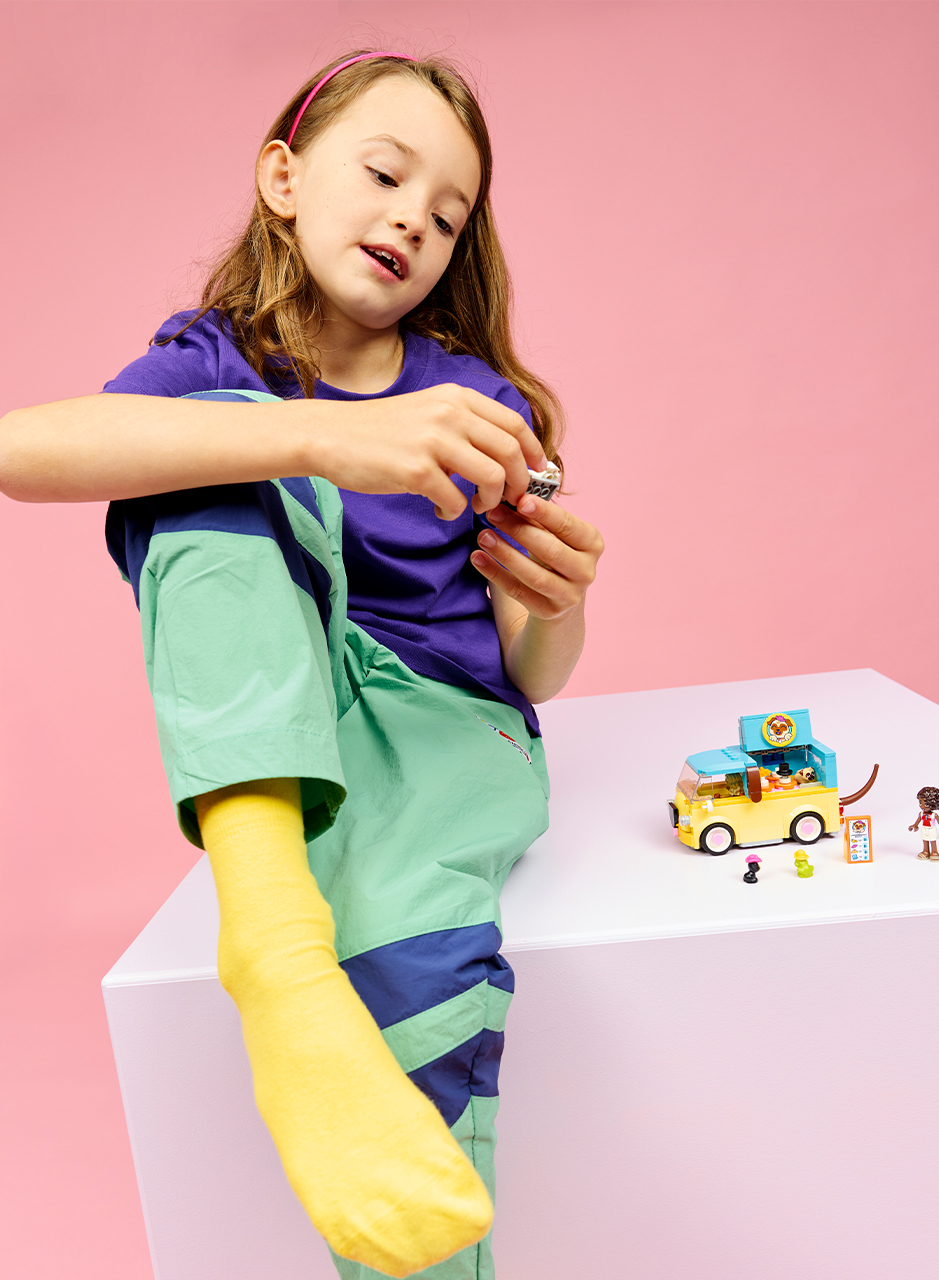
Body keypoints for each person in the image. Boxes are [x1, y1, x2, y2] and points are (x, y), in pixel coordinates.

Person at [0, 50, 603, 1280]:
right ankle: (274, 946)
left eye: (447, 216)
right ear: (283, 178)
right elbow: (21, 450)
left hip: (440, 723)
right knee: (201, 467)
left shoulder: (474, 399)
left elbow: (533, 673)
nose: (412, 220)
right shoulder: (220, 362)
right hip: (286, 722)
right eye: (384, 175)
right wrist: (323, 437)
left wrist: (558, 600)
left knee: (418, 969)